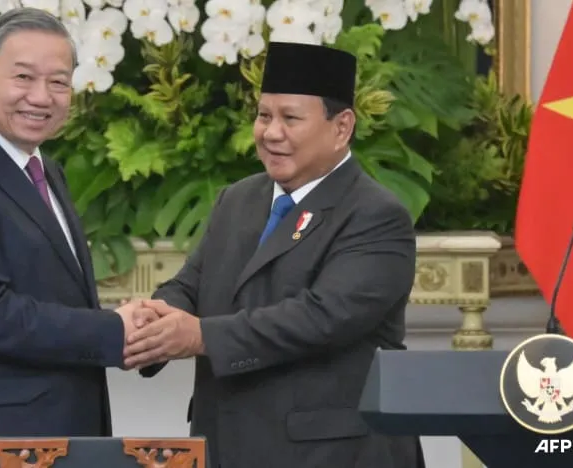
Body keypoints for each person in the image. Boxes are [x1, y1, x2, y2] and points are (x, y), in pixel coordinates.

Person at [123, 42, 426, 468]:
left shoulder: (376, 215)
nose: (271, 132)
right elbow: (192, 283)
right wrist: (154, 319)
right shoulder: (239, 198)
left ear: (342, 127)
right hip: (226, 445)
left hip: (332, 455)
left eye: (291, 118)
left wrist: (200, 335)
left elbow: (320, 318)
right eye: (264, 115)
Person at [0, 8, 155, 468]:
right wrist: (112, 329)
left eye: (59, 82)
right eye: (23, 77)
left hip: (55, 438)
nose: (41, 97)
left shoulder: (45, 170)